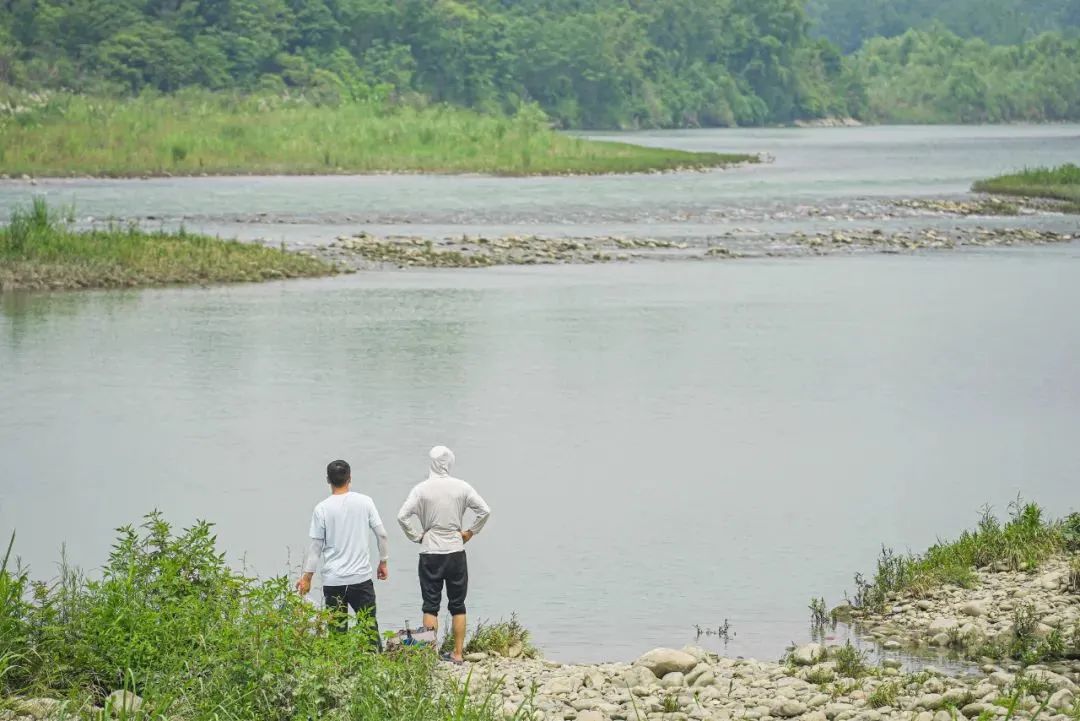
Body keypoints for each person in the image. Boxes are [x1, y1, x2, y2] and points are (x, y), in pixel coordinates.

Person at [397, 446, 490, 663]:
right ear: (450, 463)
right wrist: (470, 532)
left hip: (430, 551)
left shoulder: (421, 489)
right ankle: (458, 653)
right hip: (456, 550)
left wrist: (417, 536)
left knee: (431, 604)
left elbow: (402, 516)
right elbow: (485, 511)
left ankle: (430, 654)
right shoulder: (462, 487)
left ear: (431, 463)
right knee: (458, 604)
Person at [297, 459, 389, 647]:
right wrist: (383, 562)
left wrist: (307, 578)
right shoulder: (365, 502)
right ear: (350, 478)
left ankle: (341, 672)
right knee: (369, 629)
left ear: (328, 480)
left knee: (338, 634)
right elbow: (382, 535)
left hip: (334, 581)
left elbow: (316, 547)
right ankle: (374, 667)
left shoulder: (321, 508)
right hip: (361, 579)